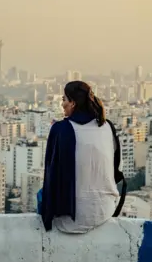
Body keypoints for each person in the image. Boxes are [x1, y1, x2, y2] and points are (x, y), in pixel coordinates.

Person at [40, 81, 122, 233]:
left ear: (72, 103)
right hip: (105, 210)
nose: (62, 104)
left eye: (64, 99)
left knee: (40, 195)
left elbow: (51, 176)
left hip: (71, 220)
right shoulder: (107, 126)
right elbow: (116, 168)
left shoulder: (60, 130)